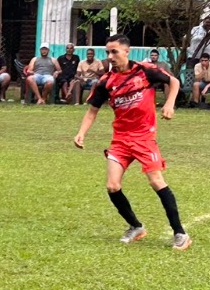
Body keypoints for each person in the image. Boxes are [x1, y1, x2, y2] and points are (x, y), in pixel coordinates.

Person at [74, 34, 190, 250]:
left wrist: (169, 104)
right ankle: (136, 226)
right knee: (112, 186)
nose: (110, 56)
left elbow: (173, 81)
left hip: (145, 137)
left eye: (114, 51)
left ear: (127, 51)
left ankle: (180, 233)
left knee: (156, 181)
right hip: (120, 140)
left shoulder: (145, 70)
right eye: (107, 52)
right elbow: (92, 112)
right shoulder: (106, 82)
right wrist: (81, 133)